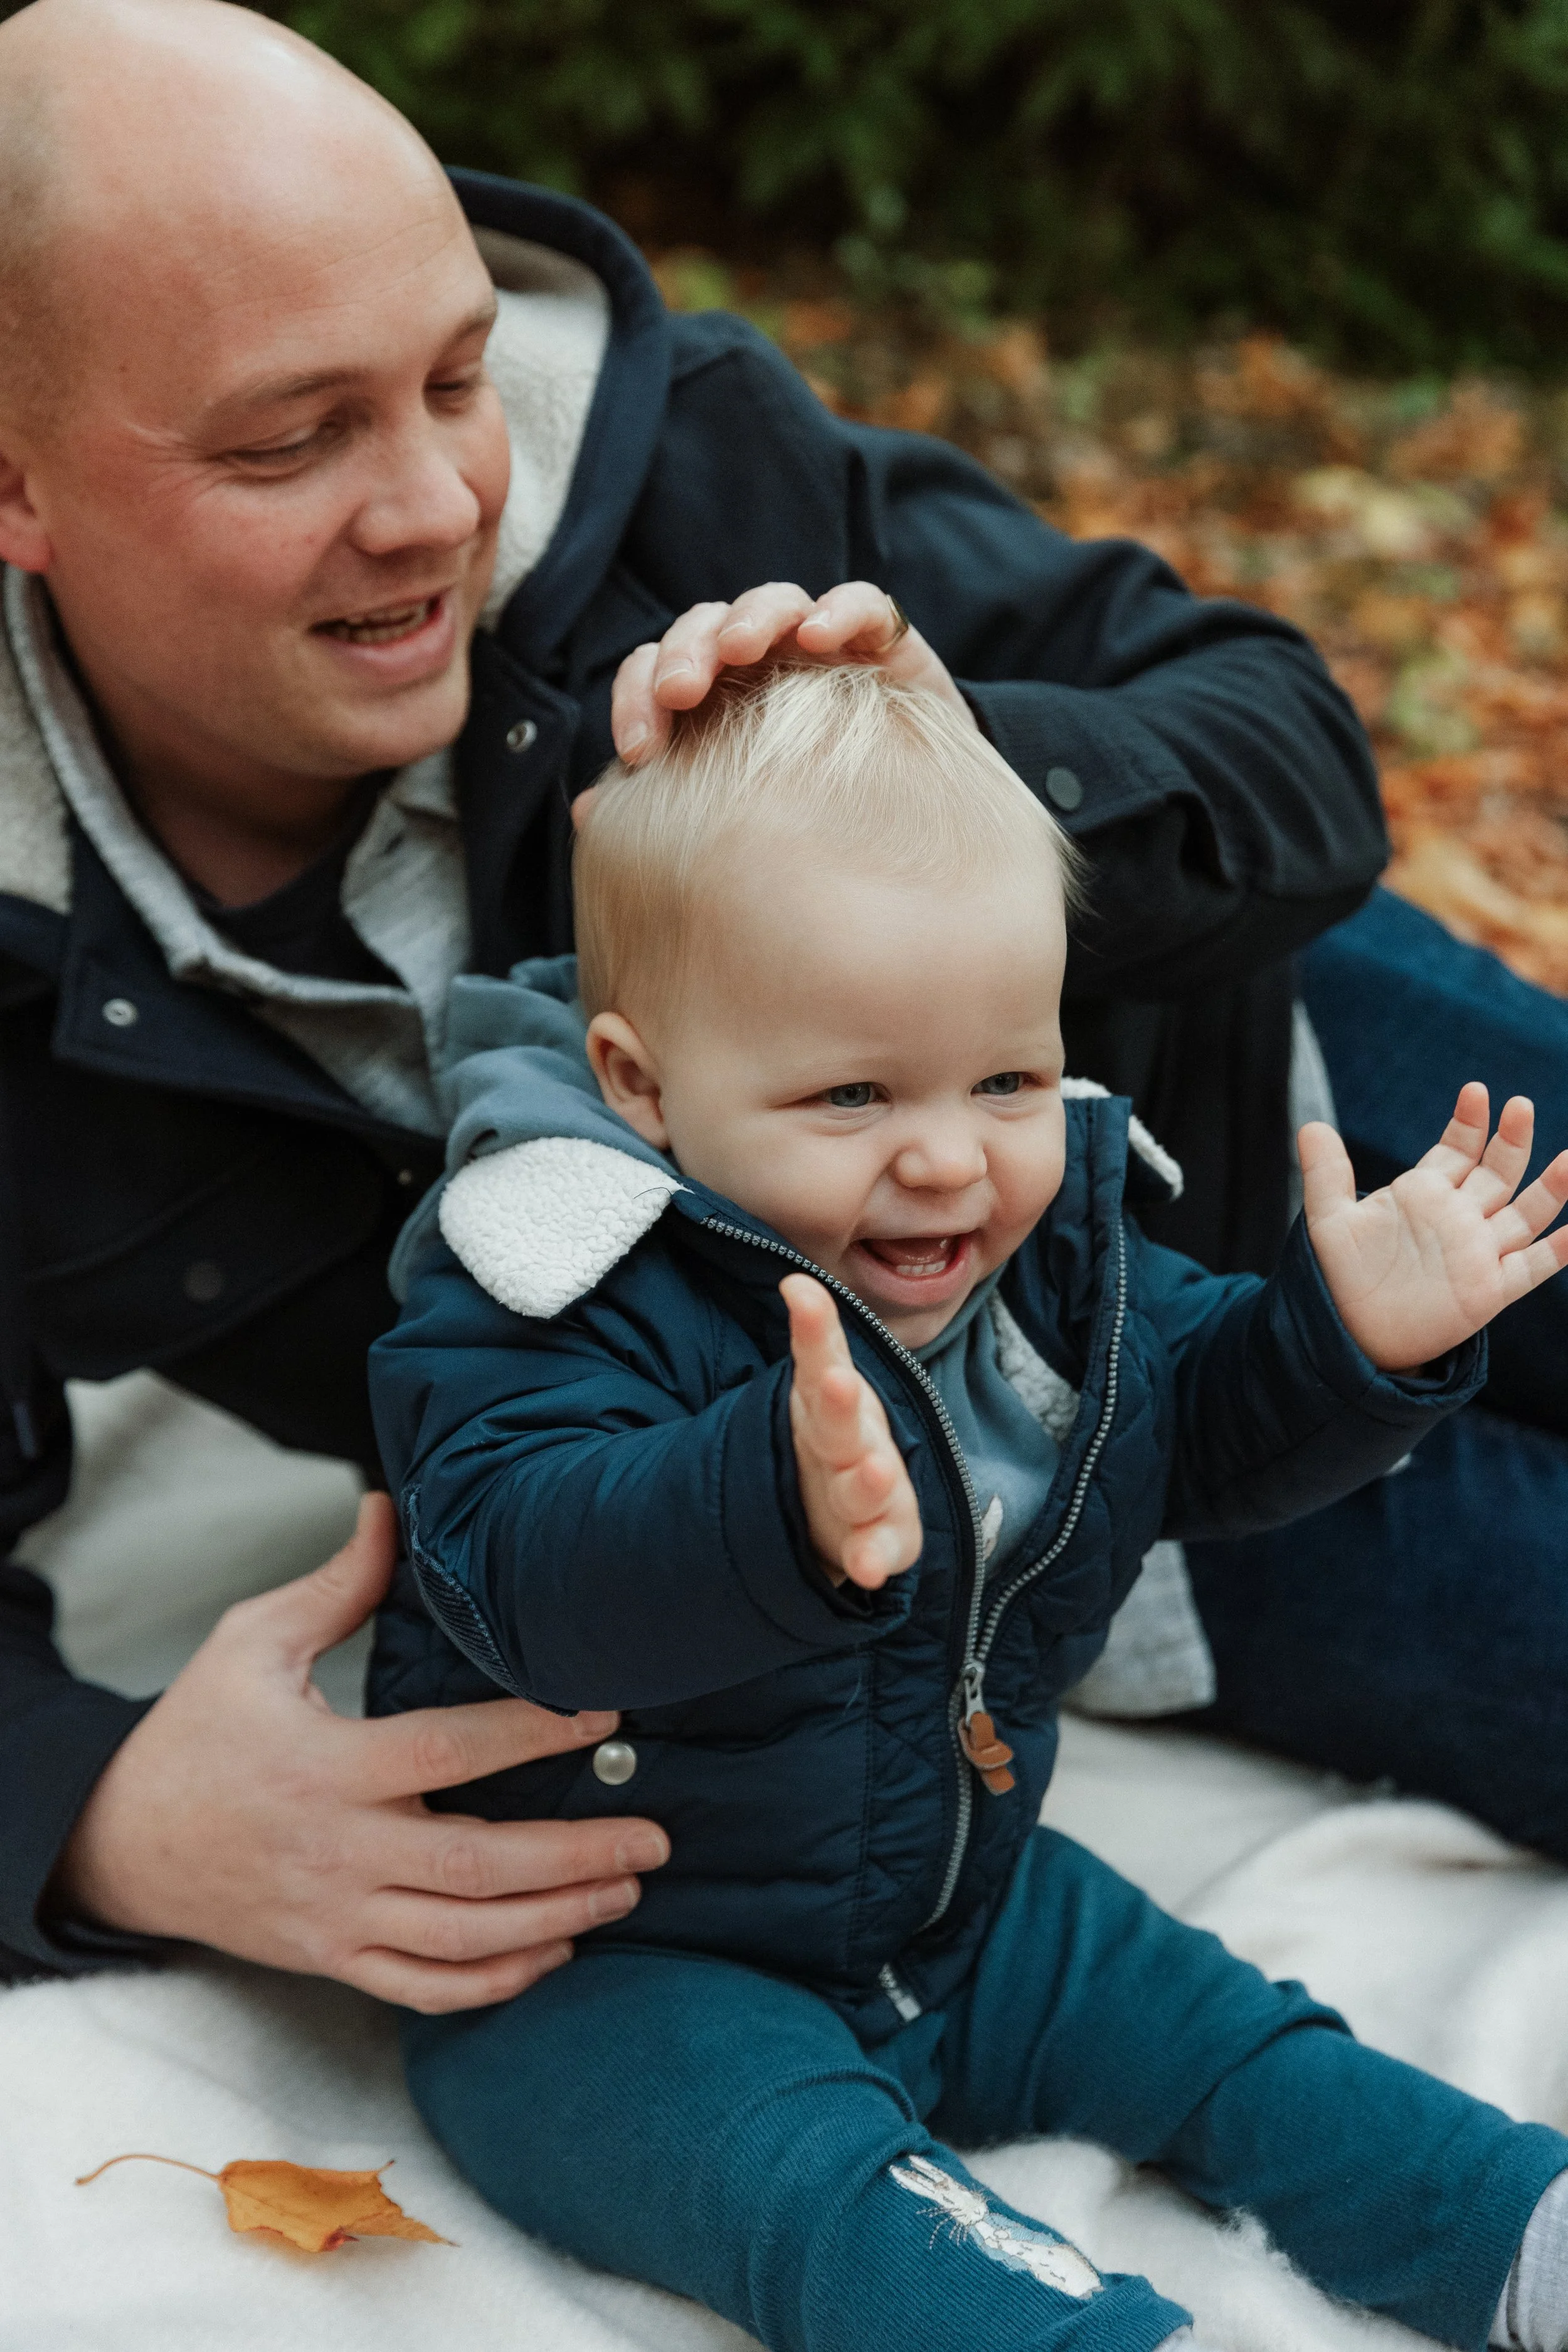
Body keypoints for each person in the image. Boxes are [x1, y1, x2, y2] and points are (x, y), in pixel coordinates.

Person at [0, 0, 1395, 1991]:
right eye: (290, 437)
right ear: (16, 484)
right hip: (1121, 1465)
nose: (433, 508)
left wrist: (932, 769)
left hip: (1288, 1072)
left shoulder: (666, 473)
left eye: (456, 377)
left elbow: (1289, 741)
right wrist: (105, 1813)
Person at [366, 663, 1568, 2352]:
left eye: (1004, 1079)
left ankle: (1512, 2232)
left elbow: (1188, 1435)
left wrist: (1339, 1343)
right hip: (613, 1961)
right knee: (823, 2197)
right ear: (641, 1083)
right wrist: (762, 1509)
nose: (948, 1158)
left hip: (955, 1904)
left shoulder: (1046, 1248)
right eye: (851, 1097)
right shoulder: (543, 1274)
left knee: (1225, 2040)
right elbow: (525, 1562)